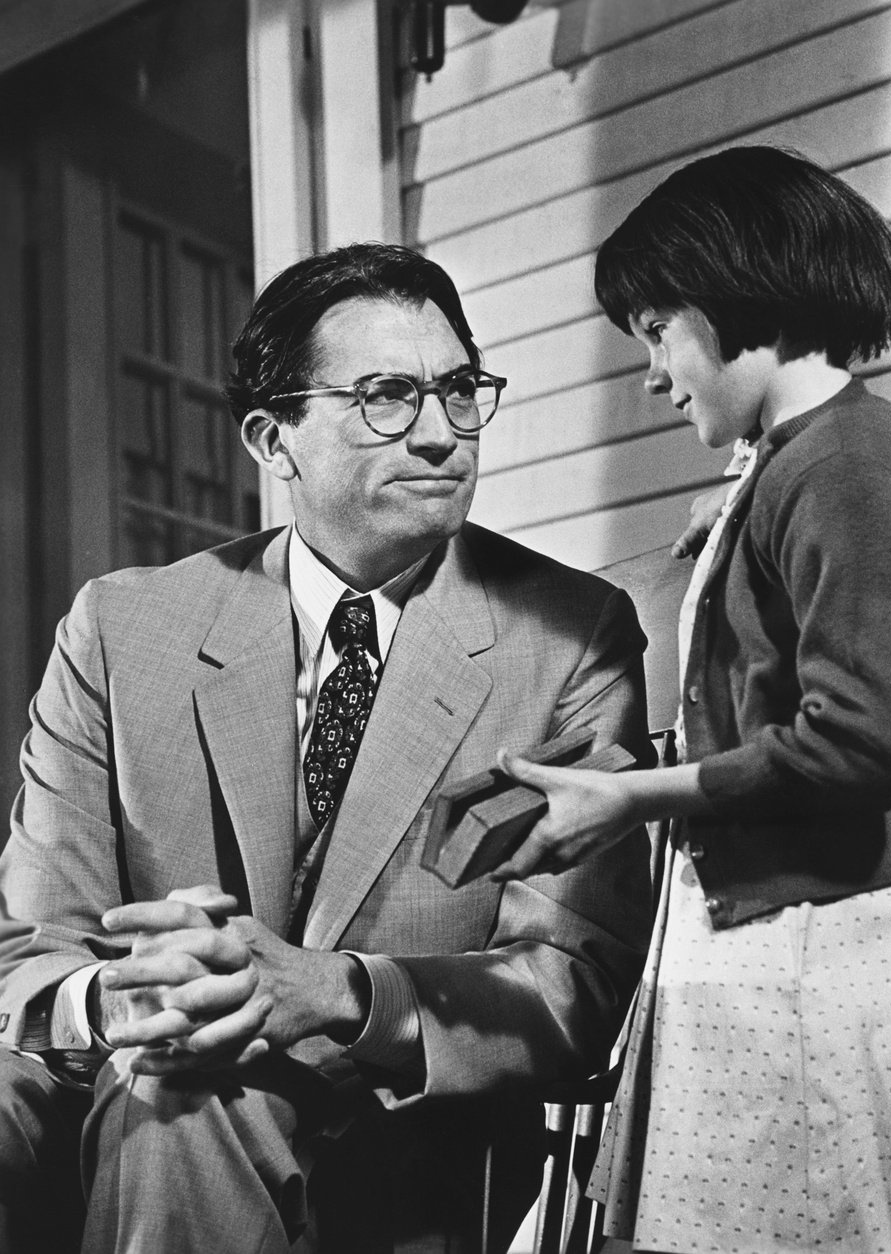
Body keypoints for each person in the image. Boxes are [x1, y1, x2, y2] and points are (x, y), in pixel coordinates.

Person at [0, 242, 656, 1254]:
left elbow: (571, 980)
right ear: (274, 439)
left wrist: (333, 991)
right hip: (112, 1099)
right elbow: (29, 949)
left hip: (406, 1143)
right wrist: (119, 995)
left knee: (189, 1105)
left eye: (459, 391)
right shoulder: (124, 630)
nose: (441, 435)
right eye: (388, 396)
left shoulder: (566, 639)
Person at [495, 146, 891, 1252]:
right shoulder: (800, 463)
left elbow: (859, 742)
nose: (652, 373)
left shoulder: (842, 468)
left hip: (830, 962)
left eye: (656, 331)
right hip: (782, 952)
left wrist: (633, 801)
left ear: (735, 302)